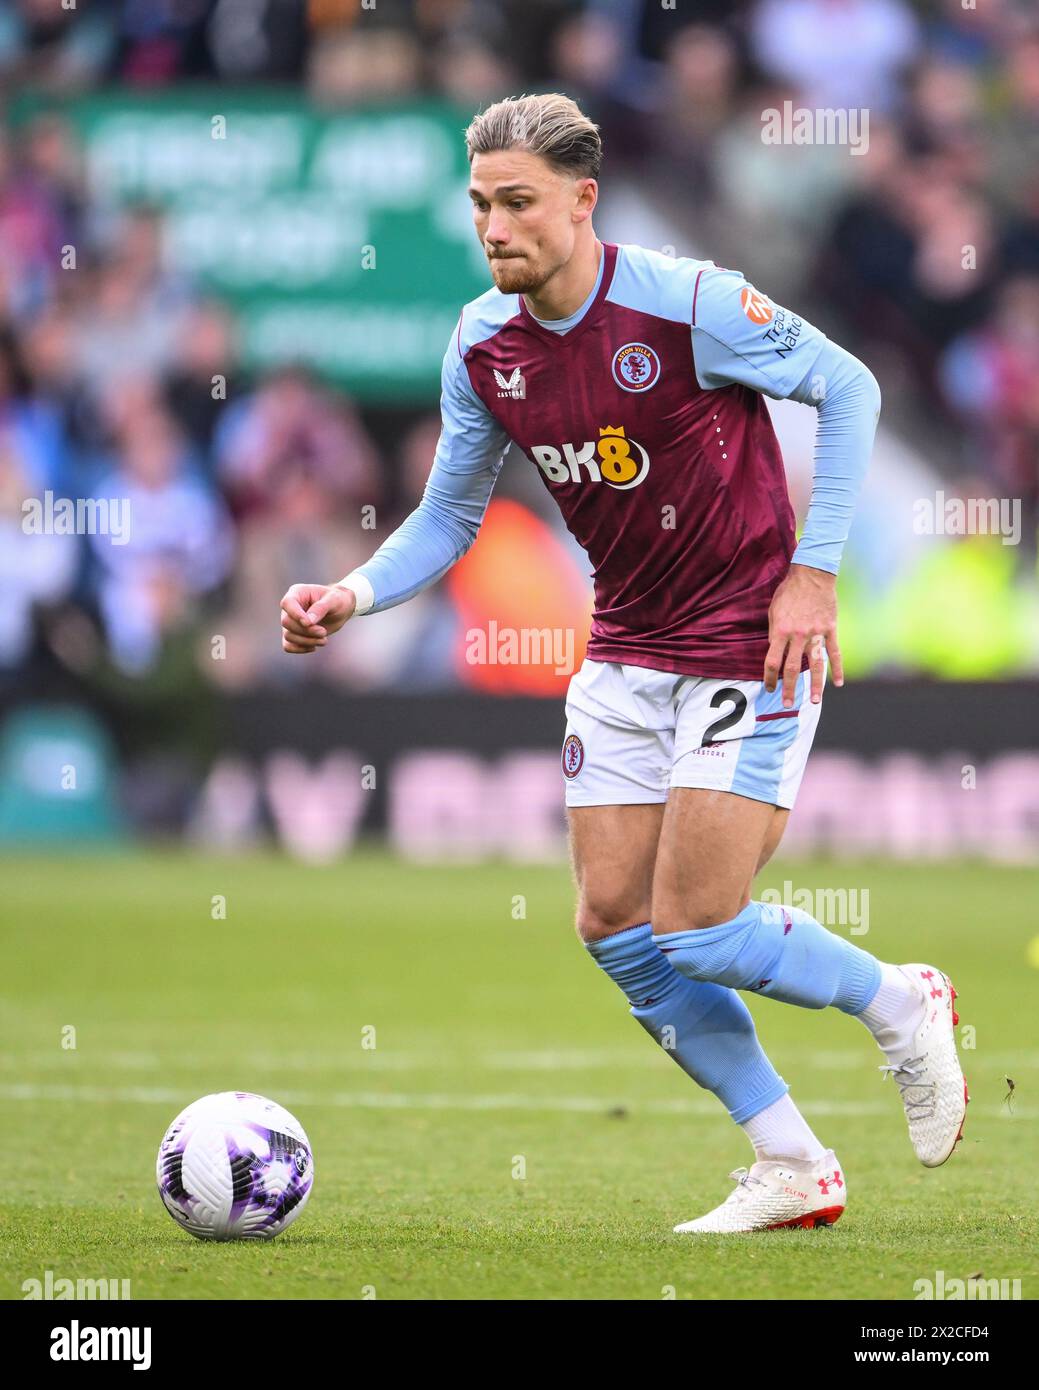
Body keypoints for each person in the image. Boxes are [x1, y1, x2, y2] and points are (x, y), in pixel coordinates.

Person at [278, 93, 967, 1233]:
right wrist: (350, 594)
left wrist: (818, 570)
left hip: (749, 639)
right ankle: (791, 1160)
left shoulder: (687, 302)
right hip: (626, 651)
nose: (492, 227)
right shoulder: (482, 344)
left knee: (698, 924)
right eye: (479, 205)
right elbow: (449, 516)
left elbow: (849, 387)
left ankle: (901, 1002)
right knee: (614, 926)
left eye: (517, 203)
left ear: (581, 202)